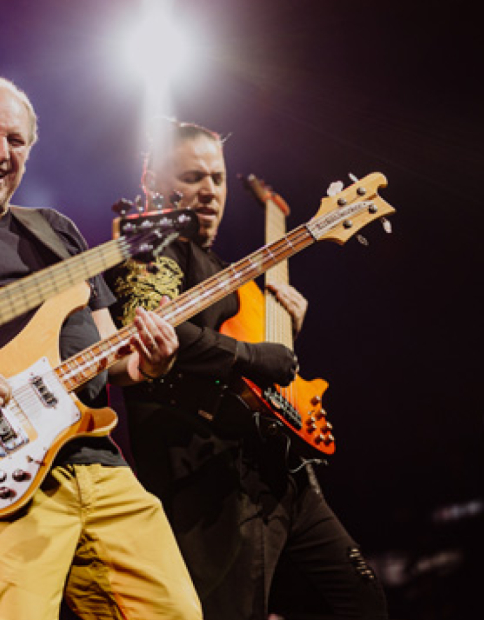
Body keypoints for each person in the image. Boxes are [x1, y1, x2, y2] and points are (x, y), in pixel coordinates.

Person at [0, 76, 202, 620]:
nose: (1, 152)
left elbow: (112, 356)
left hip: (96, 459)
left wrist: (148, 362)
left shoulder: (55, 229)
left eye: (16, 140)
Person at [105, 120, 389, 620]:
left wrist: (283, 337)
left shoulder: (225, 271)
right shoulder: (149, 245)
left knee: (362, 601)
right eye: (192, 176)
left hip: (282, 471)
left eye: (217, 177)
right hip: (210, 484)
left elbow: (251, 368)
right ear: (153, 181)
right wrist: (259, 356)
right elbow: (152, 329)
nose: (209, 190)